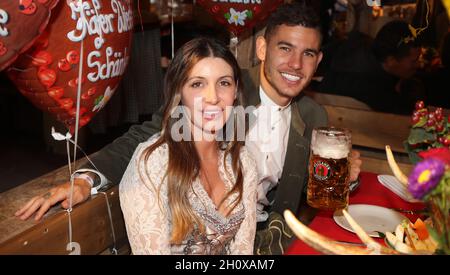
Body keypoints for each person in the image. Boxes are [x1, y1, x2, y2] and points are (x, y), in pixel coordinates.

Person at [16, 2, 362, 254]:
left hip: (267, 240)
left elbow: (304, 188)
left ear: (318, 60)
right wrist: (85, 178)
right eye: (285, 48)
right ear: (261, 48)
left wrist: (348, 177)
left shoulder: (313, 115)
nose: (295, 64)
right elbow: (148, 138)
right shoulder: (225, 92)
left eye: (308, 54)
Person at [119, 37, 257, 254]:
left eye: (224, 83)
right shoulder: (152, 163)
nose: (213, 97)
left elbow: (243, 251)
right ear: (179, 92)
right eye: (197, 84)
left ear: (235, 90)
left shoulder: (241, 160)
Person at [318, 20, 423, 114]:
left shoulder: (350, 48)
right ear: (391, 60)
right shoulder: (377, 93)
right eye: (414, 61)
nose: (419, 64)